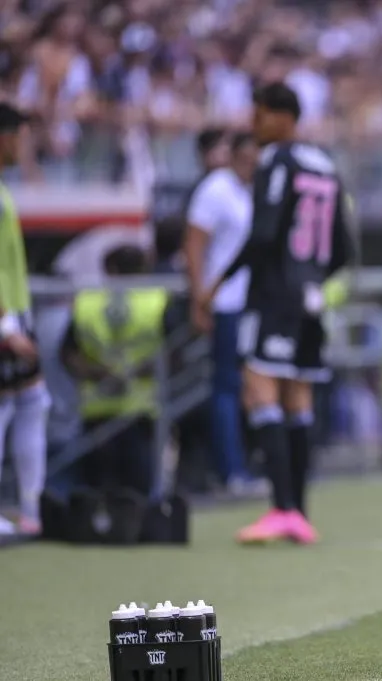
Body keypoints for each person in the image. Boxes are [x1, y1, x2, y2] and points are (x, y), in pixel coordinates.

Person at [202, 82, 355, 545]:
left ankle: (281, 507)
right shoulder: (326, 164)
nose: (254, 122)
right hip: (311, 299)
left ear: (281, 116)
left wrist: (218, 281)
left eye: (260, 112)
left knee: (260, 390)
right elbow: (344, 247)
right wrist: (312, 279)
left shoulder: (276, 160)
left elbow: (265, 235)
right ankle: (299, 514)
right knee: (298, 402)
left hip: (273, 297)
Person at [183, 132, 264, 493]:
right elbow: (195, 246)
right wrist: (199, 299)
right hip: (226, 302)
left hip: (248, 301)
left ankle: (244, 463)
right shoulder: (216, 190)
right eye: (246, 160)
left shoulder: (251, 191)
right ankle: (230, 469)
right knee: (227, 387)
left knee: (249, 385)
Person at [60, 245, 171, 497]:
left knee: (97, 491)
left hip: (97, 406)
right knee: (138, 492)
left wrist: (99, 374)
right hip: (141, 407)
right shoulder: (157, 298)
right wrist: (141, 371)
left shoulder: (88, 300)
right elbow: (174, 350)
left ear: (108, 270)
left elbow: (67, 354)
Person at [0, 102, 50, 538]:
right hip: (4, 323)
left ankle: (32, 508)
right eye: (18, 137)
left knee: (33, 402)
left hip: (15, 315)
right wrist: (6, 327)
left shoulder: (3, 189)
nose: (21, 147)